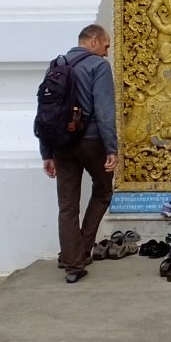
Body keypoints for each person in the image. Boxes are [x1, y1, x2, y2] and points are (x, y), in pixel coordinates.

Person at [40, 24, 118, 284]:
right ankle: (83, 248)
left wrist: (46, 153)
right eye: (106, 45)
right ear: (94, 41)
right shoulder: (98, 66)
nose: (107, 52)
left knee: (67, 205)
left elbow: (44, 114)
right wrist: (112, 149)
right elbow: (105, 111)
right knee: (104, 190)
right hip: (90, 140)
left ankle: (71, 262)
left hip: (61, 143)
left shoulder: (56, 66)